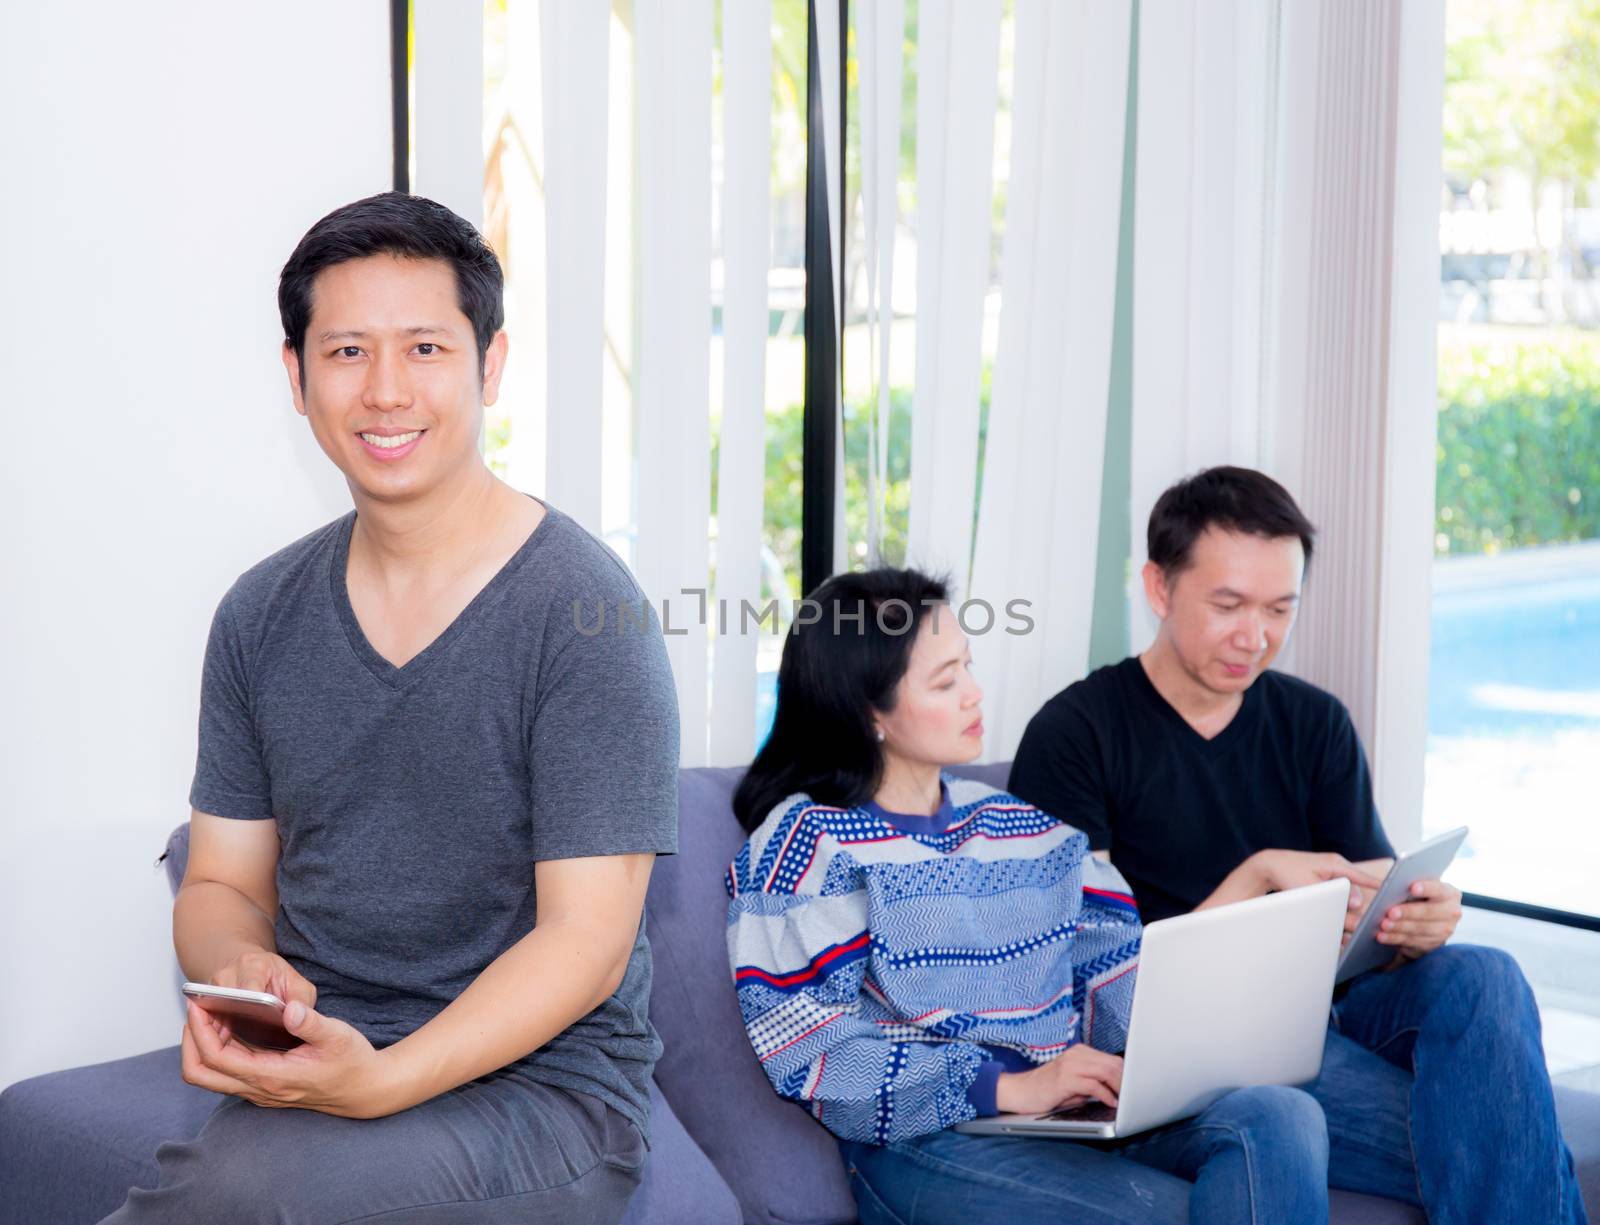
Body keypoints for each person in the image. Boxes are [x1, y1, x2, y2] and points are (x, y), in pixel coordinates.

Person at [102, 193, 680, 1224]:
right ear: (296, 378)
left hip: (541, 1096)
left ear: (488, 365)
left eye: (423, 348)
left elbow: (585, 946)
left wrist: (382, 1079)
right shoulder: (258, 613)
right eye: (346, 353)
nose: (384, 392)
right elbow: (223, 880)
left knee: (238, 1201)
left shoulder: (588, 616)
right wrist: (240, 963)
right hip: (323, 1066)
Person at [1009, 465, 1588, 1224]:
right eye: (1228, 605)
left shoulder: (1314, 722)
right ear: (1158, 588)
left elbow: (1368, 897)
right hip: (1193, 1050)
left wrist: (1412, 921)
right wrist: (1252, 879)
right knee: (1507, 1137)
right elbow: (1068, 977)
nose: (1255, 637)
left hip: (1327, 1006)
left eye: (1280, 608)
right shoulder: (1076, 736)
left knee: (1484, 973)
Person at [726, 568, 1331, 1225]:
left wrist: (1175, 1045)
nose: (975, 694)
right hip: (927, 1138)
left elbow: (1120, 979)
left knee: (1283, 1111)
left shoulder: (1026, 829)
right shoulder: (808, 840)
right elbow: (811, 1047)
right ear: (869, 712)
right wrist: (1006, 1086)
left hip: (1069, 1108)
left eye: (968, 666)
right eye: (945, 680)